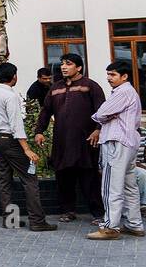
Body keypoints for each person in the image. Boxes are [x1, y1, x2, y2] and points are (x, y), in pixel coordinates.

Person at [0, 62, 57, 232]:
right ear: (14, 77)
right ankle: (37, 221)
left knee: (5, 180)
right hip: (11, 140)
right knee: (30, 179)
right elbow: (16, 124)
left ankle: (10, 219)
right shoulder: (11, 97)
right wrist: (26, 148)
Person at [33, 52, 105, 223]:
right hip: (62, 142)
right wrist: (39, 131)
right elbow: (45, 111)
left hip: (86, 141)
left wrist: (98, 130)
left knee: (89, 179)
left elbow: (102, 112)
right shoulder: (55, 87)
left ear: (79, 67)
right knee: (64, 177)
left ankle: (98, 213)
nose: (64, 67)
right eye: (62, 64)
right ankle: (68, 210)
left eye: (69, 64)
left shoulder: (91, 86)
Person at [87, 60, 146, 240]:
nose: (109, 78)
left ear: (124, 76)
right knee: (129, 186)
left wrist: (102, 116)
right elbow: (105, 113)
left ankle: (110, 226)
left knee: (111, 185)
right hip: (128, 141)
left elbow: (100, 114)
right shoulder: (130, 92)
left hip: (116, 141)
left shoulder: (122, 92)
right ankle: (134, 224)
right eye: (108, 74)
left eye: (112, 75)